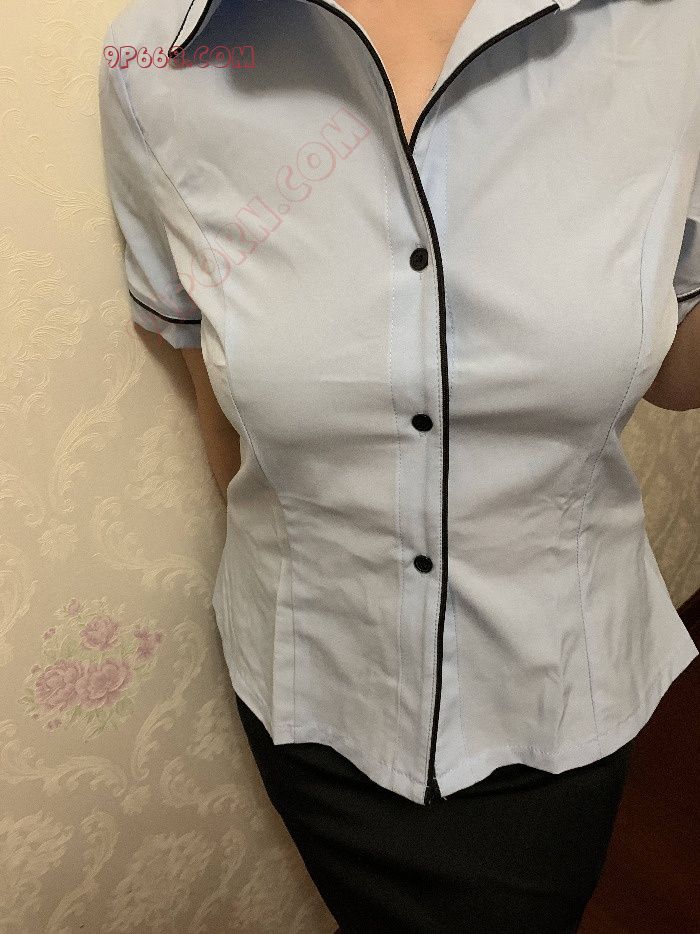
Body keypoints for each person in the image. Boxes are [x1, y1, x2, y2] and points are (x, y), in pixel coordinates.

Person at [97, 0, 700, 930]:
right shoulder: (156, 60)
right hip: (315, 700)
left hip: (553, 694)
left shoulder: (673, 30)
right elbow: (223, 412)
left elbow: (677, 375)